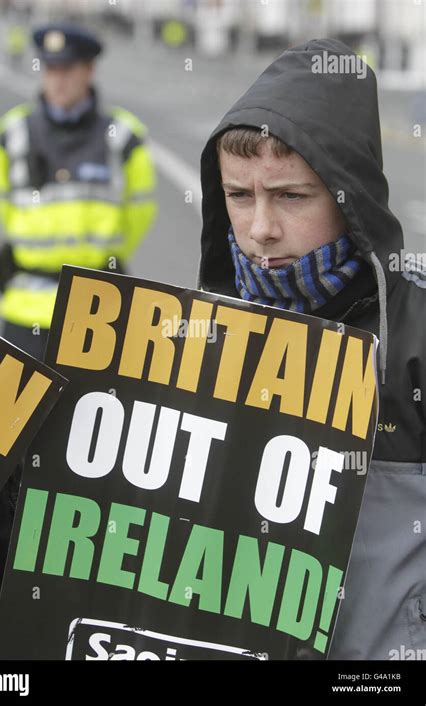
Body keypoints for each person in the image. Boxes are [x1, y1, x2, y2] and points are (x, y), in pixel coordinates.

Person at [197, 38, 426, 659]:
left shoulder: (416, 334)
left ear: (352, 198)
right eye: (238, 197)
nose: (260, 228)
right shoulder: (198, 330)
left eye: (291, 196)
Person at [0, 22, 157, 360]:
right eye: (50, 69)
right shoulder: (12, 133)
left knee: (96, 412)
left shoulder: (123, 137)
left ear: (90, 70)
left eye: (67, 69)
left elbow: (140, 211)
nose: (58, 79)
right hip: (25, 311)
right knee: (20, 411)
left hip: (99, 310)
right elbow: (5, 206)